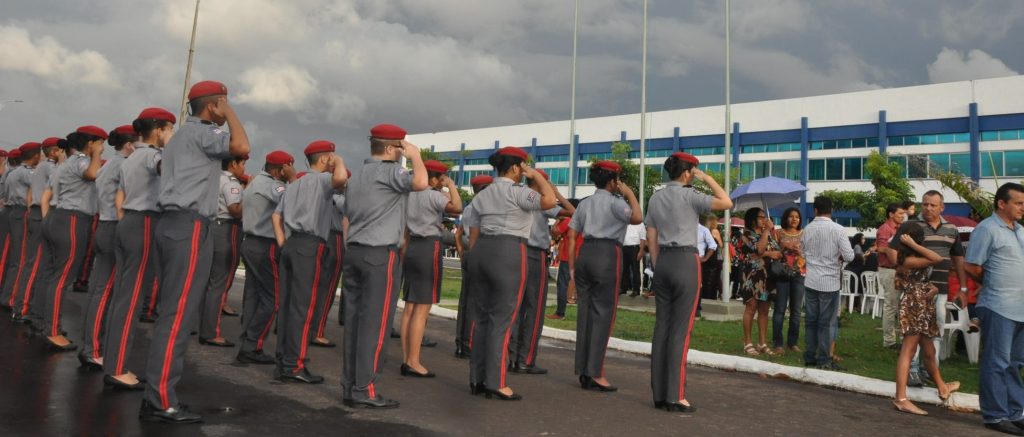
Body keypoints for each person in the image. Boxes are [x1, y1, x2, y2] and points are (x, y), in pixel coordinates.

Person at [140, 81, 250, 423]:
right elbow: (242, 146)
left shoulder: (184, 137)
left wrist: (220, 106)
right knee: (176, 315)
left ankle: (158, 394)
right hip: (188, 225)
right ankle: (159, 399)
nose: (226, 108)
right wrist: (227, 110)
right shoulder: (202, 132)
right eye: (222, 103)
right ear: (213, 106)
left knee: (177, 313)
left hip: (181, 224)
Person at [341, 124, 426, 409]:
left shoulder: (357, 175)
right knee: (375, 326)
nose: (403, 152)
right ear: (391, 149)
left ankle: (350, 386)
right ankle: (365, 389)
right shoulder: (392, 171)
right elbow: (420, 183)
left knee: (354, 323)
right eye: (400, 147)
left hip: (354, 251)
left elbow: (346, 217)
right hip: (379, 255)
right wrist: (415, 156)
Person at [466, 146, 556, 400]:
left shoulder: (482, 195)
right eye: (522, 166)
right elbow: (548, 201)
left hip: (481, 251)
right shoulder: (518, 191)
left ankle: (477, 378)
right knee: (502, 319)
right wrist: (536, 175)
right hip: (509, 251)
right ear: (517, 167)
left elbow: (473, 232)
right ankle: (497, 382)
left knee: (481, 318)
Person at [646, 152, 732, 413]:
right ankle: (676, 395)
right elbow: (726, 202)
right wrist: (706, 177)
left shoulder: (656, 197)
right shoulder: (691, 195)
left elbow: (651, 234)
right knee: (680, 331)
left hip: (662, 261)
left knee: (662, 327)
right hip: (685, 260)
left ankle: (659, 394)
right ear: (688, 172)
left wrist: (657, 264)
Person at [102, 108, 175, 389]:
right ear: (158, 130)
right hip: (144, 222)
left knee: (123, 296)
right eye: (169, 128)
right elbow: (170, 170)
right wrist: (171, 147)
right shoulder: (153, 156)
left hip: (129, 221)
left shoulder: (132, 157)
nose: (172, 134)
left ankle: (113, 362)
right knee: (131, 299)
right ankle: (118, 367)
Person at [272, 140, 347, 384]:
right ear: (325, 158)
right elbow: (341, 179)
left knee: (287, 304)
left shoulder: (294, 184)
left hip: (292, 243)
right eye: (331, 156)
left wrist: (283, 242)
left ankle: (284, 360)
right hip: (310, 245)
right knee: (303, 307)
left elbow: (276, 216)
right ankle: (295, 365)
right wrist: (340, 162)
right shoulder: (322, 180)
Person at [568, 160, 642, 392]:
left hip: (586, 252)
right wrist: (629, 193)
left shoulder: (585, 203)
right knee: (603, 315)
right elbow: (638, 218)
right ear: (613, 181)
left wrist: (572, 269)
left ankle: (583, 369)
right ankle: (596, 372)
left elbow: (572, 232)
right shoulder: (616, 203)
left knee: (585, 314)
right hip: (608, 254)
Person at [888, 191, 968, 388]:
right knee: (914, 333)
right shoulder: (912, 226)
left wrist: (963, 287)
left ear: (942, 207)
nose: (928, 208)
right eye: (925, 204)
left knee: (935, 331)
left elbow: (958, 259)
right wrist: (902, 266)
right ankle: (913, 371)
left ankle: (930, 371)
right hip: (916, 288)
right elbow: (892, 250)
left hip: (940, 287)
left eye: (933, 205)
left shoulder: (951, 229)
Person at [37, 127, 104, 350]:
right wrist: (95, 154)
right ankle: (52, 331)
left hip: (58, 217)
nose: (103, 147)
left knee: (51, 275)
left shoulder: (65, 163)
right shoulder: (82, 162)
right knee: (62, 278)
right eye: (100, 143)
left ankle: (46, 322)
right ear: (91, 142)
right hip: (73, 220)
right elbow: (93, 175)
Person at [964, 183, 1024, 434]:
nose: (1023, 207)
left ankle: (1015, 412)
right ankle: (995, 415)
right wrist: (991, 282)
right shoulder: (987, 229)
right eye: (1018, 203)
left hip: (1020, 308)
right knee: (997, 362)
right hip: (998, 305)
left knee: (1015, 362)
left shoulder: (1020, 230)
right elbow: (972, 266)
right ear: (1002, 203)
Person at [78, 125, 137, 368]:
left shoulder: (110, 164)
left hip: (104, 224)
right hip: (114, 226)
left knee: (99, 291)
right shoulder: (123, 165)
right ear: (129, 144)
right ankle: (93, 349)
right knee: (104, 293)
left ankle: (91, 346)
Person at [399, 159, 462, 378]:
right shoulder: (433, 194)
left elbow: (405, 230)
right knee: (422, 308)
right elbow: (457, 208)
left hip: (412, 247)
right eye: (441, 178)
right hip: (428, 247)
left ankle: (407, 358)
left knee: (409, 307)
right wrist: (451, 186)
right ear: (435, 178)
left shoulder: (409, 194)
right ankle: (414, 361)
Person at [891, 222, 960, 416]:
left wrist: (934, 287)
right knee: (909, 350)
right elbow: (936, 258)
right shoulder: (907, 259)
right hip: (914, 305)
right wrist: (913, 245)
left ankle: (942, 387)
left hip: (923, 305)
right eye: (920, 238)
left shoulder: (913, 257)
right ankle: (901, 399)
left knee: (929, 351)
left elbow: (919, 279)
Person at [510, 168, 573, 374]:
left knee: (516, 307)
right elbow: (573, 212)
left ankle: (510, 357)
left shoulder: (516, 194)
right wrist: (556, 192)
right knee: (534, 308)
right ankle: (525, 360)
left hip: (516, 252)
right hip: (535, 255)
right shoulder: (540, 200)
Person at [237, 150, 294, 365]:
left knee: (254, 296)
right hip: (264, 244)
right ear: (280, 169)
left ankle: (247, 342)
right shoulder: (272, 185)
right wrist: (293, 178)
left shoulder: (255, 182)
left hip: (251, 241)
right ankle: (253, 344)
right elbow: (293, 200)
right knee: (273, 298)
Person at [197, 153, 248, 347]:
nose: (243, 167)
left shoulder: (213, 178)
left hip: (212, 226)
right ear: (233, 163)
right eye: (242, 163)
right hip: (228, 228)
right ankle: (210, 331)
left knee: (209, 281)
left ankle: (203, 326)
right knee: (220, 282)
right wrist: (248, 197)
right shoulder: (231, 183)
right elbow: (235, 209)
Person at [801, 196, 854, 370]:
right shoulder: (838, 229)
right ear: (831, 210)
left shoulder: (807, 229)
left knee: (811, 320)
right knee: (827, 323)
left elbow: (802, 252)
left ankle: (809, 356)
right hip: (830, 282)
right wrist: (838, 260)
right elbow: (849, 256)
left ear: (815, 210)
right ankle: (824, 359)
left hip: (811, 280)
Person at [11, 139, 58, 324]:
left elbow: (30, 191)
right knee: (34, 264)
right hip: (41, 214)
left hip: (35, 212)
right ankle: (22, 308)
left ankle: (23, 306)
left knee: (32, 263)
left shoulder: (40, 167)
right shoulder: (49, 167)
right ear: (53, 151)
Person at [453, 174, 492, 357]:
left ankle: (461, 342)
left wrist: (461, 252)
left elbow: (458, 233)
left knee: (465, 300)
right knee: (476, 301)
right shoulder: (484, 207)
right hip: (479, 252)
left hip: (468, 252)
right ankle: (468, 343)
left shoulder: (469, 208)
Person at [733, 207, 780, 356]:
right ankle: (747, 342)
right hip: (752, 277)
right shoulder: (746, 234)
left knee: (764, 310)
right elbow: (759, 249)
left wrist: (768, 250)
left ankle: (762, 342)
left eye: (764, 216)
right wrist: (767, 233)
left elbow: (777, 252)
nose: (764, 219)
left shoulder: (769, 235)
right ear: (753, 218)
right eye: (761, 217)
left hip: (767, 276)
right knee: (751, 307)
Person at [772, 207, 806, 355]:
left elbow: (809, 253)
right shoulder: (778, 233)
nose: (794, 219)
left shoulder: (804, 234)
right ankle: (778, 343)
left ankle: (793, 342)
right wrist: (783, 246)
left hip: (799, 274)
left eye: (797, 217)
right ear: (786, 218)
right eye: (791, 216)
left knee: (796, 311)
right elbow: (772, 250)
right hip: (782, 274)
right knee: (780, 309)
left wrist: (801, 252)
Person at [877, 203, 907, 349]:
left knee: (902, 306)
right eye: (900, 213)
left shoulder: (901, 229)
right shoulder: (885, 229)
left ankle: (902, 338)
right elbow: (881, 248)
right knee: (891, 306)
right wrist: (892, 250)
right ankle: (889, 341)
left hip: (900, 269)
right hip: (889, 270)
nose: (903, 216)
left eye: (903, 213)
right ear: (891, 214)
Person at [548, 199, 582, 319]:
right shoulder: (583, 219)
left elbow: (554, 232)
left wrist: (557, 221)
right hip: (582, 256)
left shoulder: (568, 220)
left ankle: (560, 312)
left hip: (568, 257)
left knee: (562, 284)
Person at [700, 214, 724, 300]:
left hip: (707, 256)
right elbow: (721, 245)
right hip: (714, 258)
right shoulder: (715, 231)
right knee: (713, 280)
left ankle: (706, 297)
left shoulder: (707, 231)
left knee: (707, 279)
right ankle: (711, 297)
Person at [621, 223, 646, 297]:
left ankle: (636, 289)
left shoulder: (640, 224)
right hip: (623, 247)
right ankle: (623, 288)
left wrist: (641, 251)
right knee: (624, 269)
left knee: (635, 269)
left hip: (634, 248)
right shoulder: (625, 221)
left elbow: (643, 238)